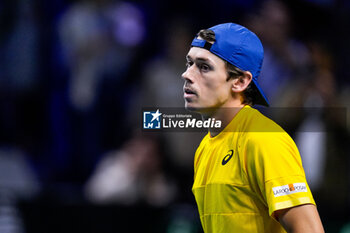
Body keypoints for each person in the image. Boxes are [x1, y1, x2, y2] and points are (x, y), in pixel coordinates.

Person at [182, 22, 324, 233]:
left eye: (204, 67)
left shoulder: (264, 140)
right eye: (189, 63)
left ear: (240, 81)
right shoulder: (204, 149)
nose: (187, 74)